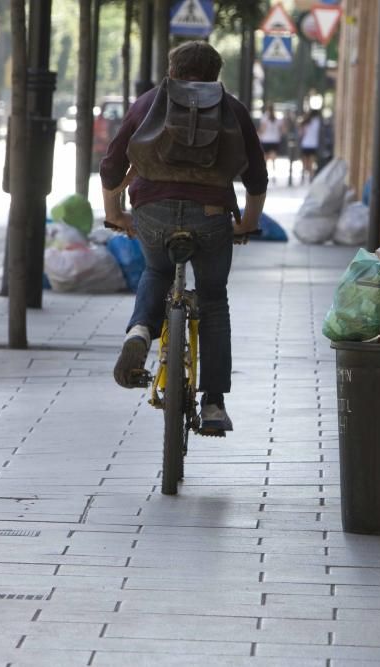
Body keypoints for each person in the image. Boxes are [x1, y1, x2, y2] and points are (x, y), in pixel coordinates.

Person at [99, 42, 267, 433]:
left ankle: (140, 331)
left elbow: (111, 166)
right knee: (212, 299)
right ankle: (212, 404)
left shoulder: (148, 104)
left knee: (157, 271)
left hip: (152, 212)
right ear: (215, 76)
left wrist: (114, 213)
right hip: (210, 215)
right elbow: (256, 178)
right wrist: (248, 222)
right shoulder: (232, 108)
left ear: (171, 72)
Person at [257, 103, 284, 183]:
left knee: (265, 160)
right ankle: (273, 176)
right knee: (273, 160)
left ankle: (265, 176)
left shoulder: (265, 117)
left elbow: (262, 129)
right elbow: (282, 130)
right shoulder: (278, 117)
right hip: (275, 141)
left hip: (265, 140)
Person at [299, 109, 321, 184]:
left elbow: (301, 134)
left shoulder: (305, 123)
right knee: (311, 162)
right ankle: (311, 178)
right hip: (314, 145)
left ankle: (303, 177)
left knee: (305, 163)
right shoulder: (317, 122)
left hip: (305, 144)